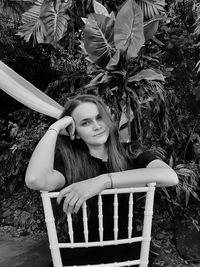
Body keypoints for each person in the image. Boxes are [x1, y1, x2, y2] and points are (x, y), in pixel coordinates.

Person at [25, 94, 178, 266]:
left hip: (128, 256)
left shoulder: (131, 153)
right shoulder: (70, 163)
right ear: (74, 132)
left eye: (100, 118)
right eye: (85, 122)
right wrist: (55, 128)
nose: (97, 126)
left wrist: (102, 181)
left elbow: (170, 177)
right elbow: (35, 179)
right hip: (79, 257)